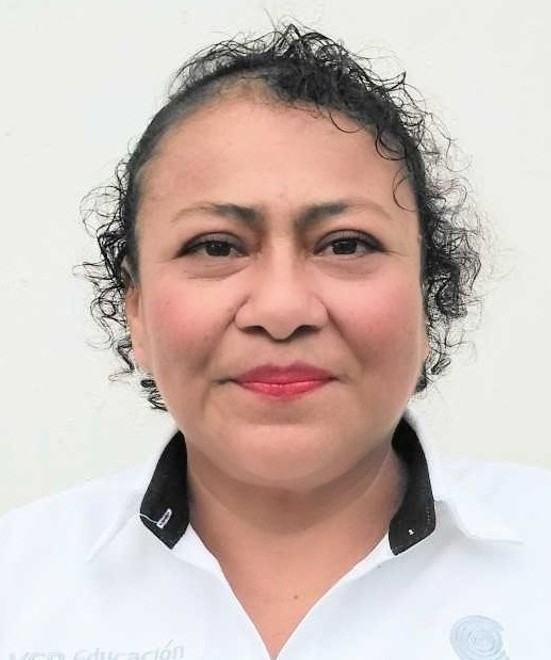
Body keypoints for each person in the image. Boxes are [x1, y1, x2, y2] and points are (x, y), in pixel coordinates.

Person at [1, 23, 550, 660]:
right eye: (216, 247)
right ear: (138, 311)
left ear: (427, 296)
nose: (283, 310)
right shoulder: (18, 587)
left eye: (346, 244)